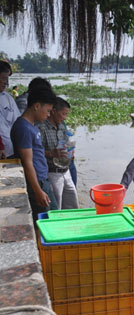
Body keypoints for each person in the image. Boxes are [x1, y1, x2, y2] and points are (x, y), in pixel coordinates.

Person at [11, 88, 59, 219]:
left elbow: (38, 156)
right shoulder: (23, 128)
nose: (49, 115)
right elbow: (27, 162)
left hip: (43, 181)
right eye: (48, 111)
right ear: (37, 106)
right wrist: (38, 191)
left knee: (53, 217)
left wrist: (47, 184)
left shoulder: (32, 126)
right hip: (36, 183)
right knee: (43, 223)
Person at [37, 97, 79, 209]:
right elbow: (35, 153)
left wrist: (70, 151)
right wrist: (51, 153)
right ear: (54, 111)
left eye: (66, 114)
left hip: (66, 170)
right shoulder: (41, 128)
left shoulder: (61, 127)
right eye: (63, 114)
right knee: (56, 206)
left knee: (72, 202)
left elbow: (65, 144)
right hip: (52, 173)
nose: (65, 118)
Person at [0, 60, 20, 159]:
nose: (6, 82)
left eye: (7, 78)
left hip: (10, 150)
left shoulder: (8, 98)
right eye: (3, 78)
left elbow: (18, 122)